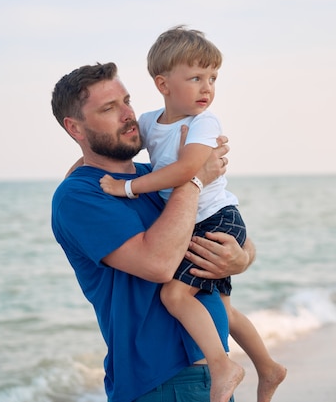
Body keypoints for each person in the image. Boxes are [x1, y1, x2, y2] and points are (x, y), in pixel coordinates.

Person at [100, 26, 286, 402]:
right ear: (163, 84)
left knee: (175, 296)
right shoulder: (152, 123)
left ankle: (221, 366)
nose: (207, 88)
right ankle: (269, 368)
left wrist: (129, 188)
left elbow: (187, 172)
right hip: (198, 219)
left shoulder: (204, 123)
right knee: (224, 309)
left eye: (213, 78)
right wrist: (78, 168)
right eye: (196, 77)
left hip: (217, 217)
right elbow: (117, 149)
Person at [50, 61, 256, 402]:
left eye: (126, 101)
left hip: (214, 377)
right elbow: (159, 264)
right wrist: (192, 177)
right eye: (109, 108)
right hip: (161, 382)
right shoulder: (79, 196)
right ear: (76, 128)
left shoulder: (155, 176)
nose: (128, 115)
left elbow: (230, 227)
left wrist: (241, 258)